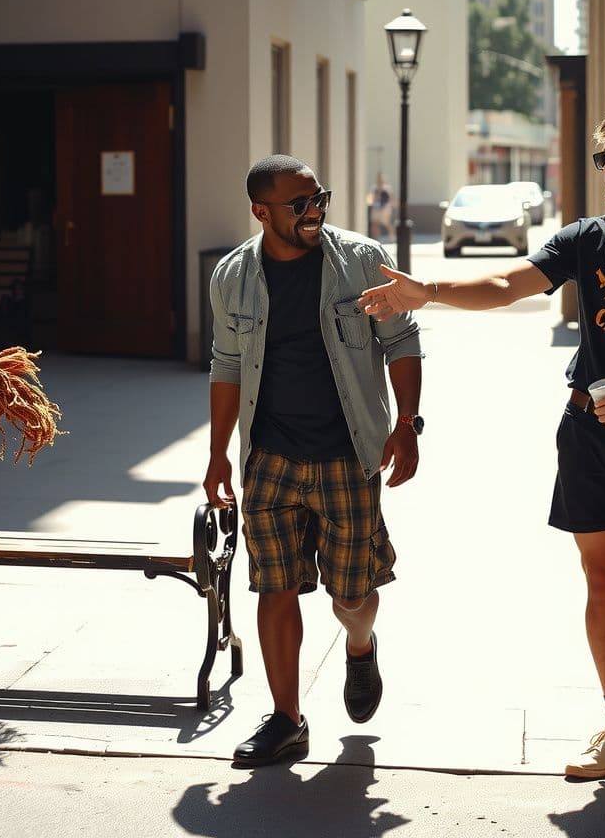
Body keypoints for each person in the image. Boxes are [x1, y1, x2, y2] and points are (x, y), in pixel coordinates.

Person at [358, 107, 605, 786]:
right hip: (586, 433)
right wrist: (429, 293)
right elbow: (508, 284)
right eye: (602, 157)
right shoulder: (586, 240)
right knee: (602, 585)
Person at [204, 155, 424, 768]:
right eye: (298, 203)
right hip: (269, 457)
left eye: (317, 198)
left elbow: (402, 342)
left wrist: (406, 426)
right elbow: (226, 365)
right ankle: (286, 719)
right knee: (274, 588)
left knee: (351, 595)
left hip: (347, 454)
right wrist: (219, 454)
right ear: (260, 210)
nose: (314, 211)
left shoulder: (358, 260)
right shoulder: (231, 276)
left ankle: (360, 644)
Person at [368, 173, 394, 242]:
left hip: (385, 208)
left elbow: (390, 198)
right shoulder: (374, 188)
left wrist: (390, 208)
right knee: (375, 224)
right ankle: (375, 238)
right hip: (376, 208)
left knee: (387, 223)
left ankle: (392, 237)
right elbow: (371, 198)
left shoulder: (387, 188)